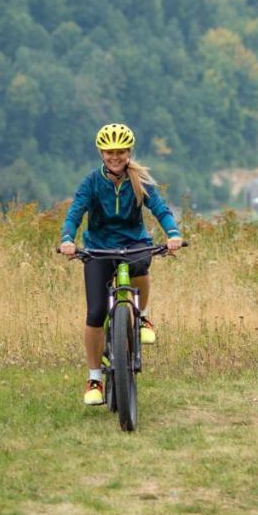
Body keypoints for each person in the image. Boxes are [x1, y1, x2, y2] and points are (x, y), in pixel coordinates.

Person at [58, 123, 184, 406]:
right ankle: (94, 379)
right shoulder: (91, 182)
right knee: (96, 312)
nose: (115, 157)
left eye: (121, 152)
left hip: (133, 243)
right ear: (102, 153)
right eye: (110, 152)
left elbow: (161, 209)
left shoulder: (140, 181)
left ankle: (142, 316)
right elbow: (75, 212)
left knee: (141, 263)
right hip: (98, 248)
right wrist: (67, 239)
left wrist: (173, 234)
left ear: (129, 152)